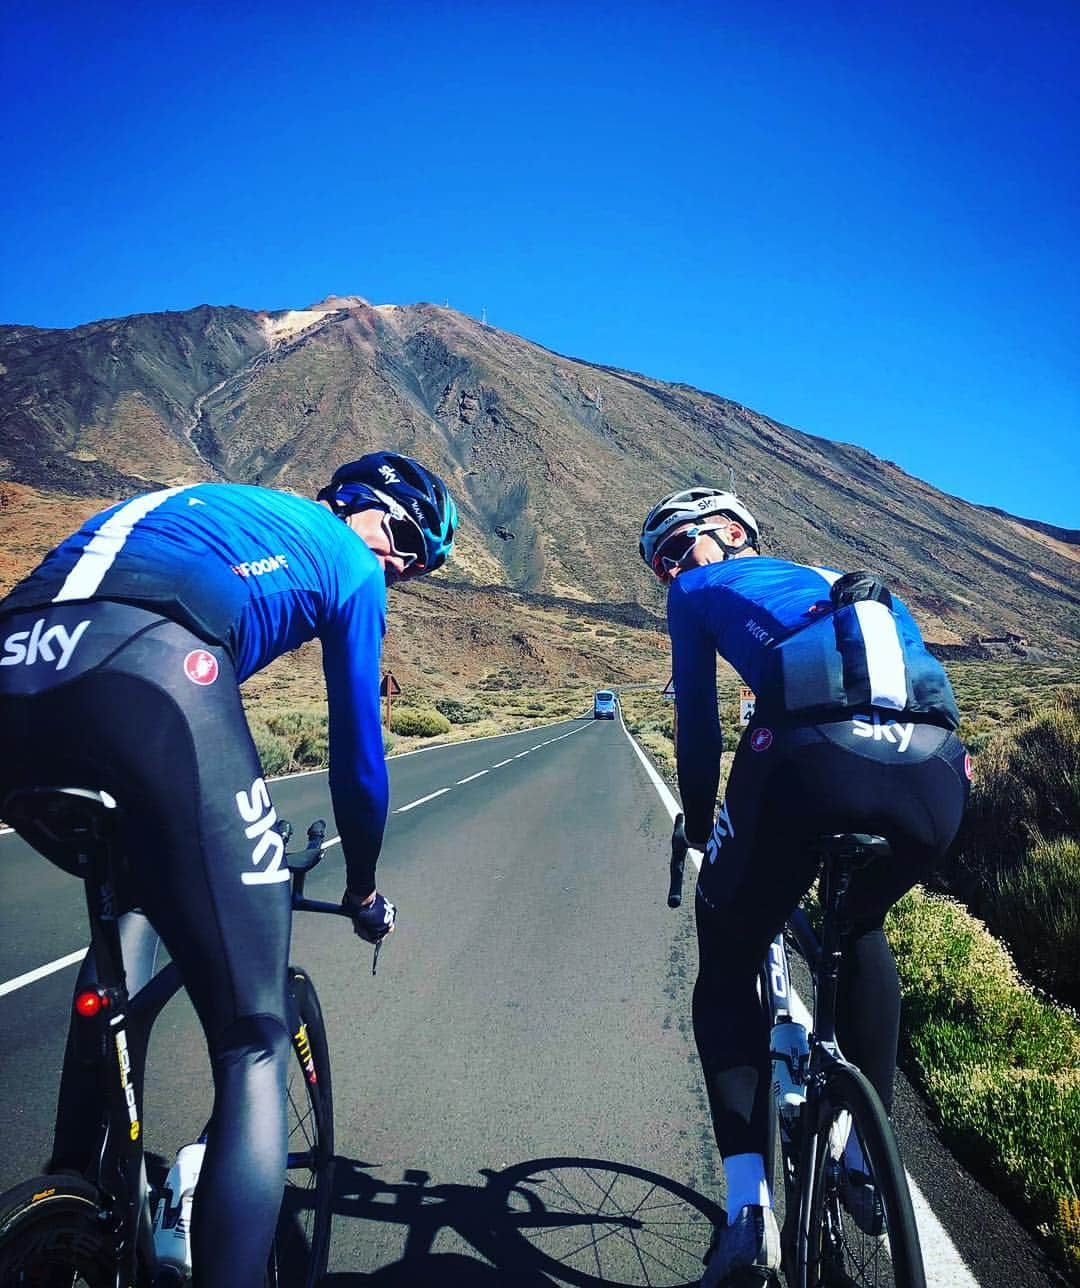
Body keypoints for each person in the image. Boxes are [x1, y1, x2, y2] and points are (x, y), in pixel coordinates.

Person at [0, 452, 457, 1287]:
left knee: (127, 907)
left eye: (418, 565)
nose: (402, 565)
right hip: (149, 670)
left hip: (14, 672)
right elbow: (358, 760)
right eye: (404, 538)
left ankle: (71, 1197)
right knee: (252, 1041)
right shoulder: (349, 562)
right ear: (357, 507)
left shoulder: (219, 506)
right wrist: (361, 886)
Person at [639, 485, 969, 1286]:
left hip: (803, 763)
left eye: (683, 546)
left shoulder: (696, 594)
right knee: (856, 927)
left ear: (732, 535)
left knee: (724, 958)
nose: (676, 568)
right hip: (935, 774)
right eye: (665, 562)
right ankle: (864, 1152)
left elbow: (700, 723)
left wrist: (695, 820)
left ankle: (748, 1213)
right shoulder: (843, 580)